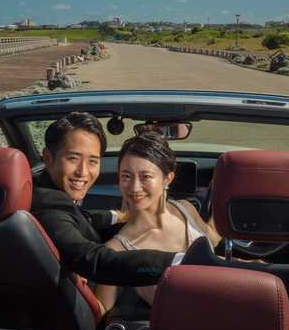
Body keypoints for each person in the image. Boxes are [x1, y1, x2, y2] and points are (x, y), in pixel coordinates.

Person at [30, 112, 178, 288]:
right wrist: (179, 262)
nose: (83, 172)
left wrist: (120, 216)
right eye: (73, 158)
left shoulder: (47, 190)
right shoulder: (48, 204)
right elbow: (94, 261)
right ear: (47, 158)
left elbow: (82, 217)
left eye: (93, 161)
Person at [93, 132, 219, 314]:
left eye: (145, 176)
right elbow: (101, 310)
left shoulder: (185, 210)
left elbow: (214, 240)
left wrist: (220, 200)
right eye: (126, 176)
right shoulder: (115, 250)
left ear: (167, 178)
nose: (134, 187)